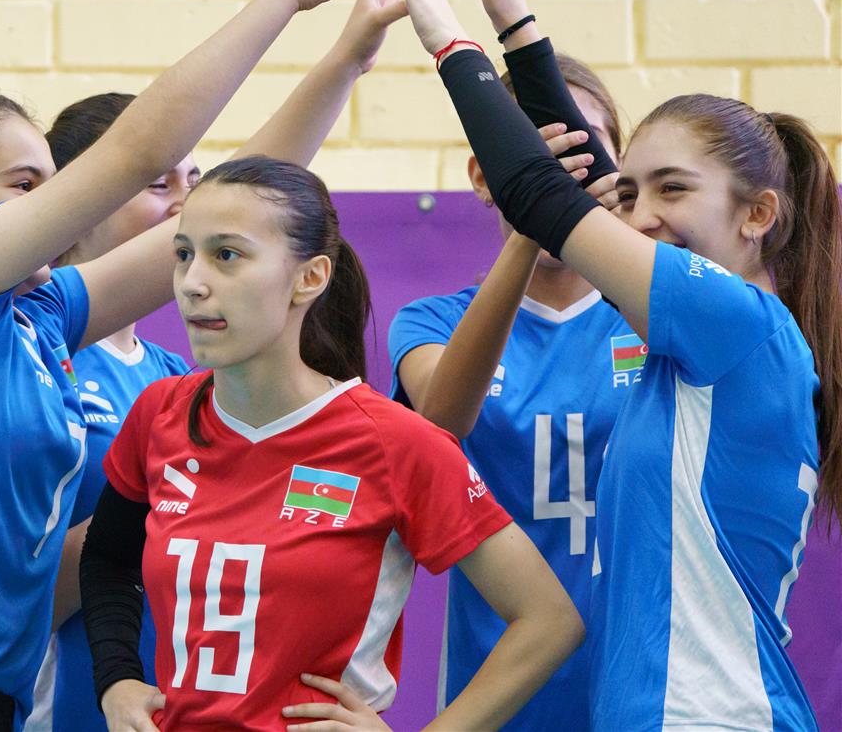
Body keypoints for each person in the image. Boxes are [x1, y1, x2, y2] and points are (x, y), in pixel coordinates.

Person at [0, 0, 407, 731]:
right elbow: (137, 151)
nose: (57, 204)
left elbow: (234, 206)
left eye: (55, 181)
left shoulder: (43, 318)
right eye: (26, 185)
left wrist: (347, 59)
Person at [378, 0, 841, 729]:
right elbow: (583, 196)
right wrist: (517, 22)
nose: (643, 215)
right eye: (633, 193)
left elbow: (547, 194)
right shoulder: (698, 345)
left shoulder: (735, 323)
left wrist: (450, 41)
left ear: (758, 213)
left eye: (674, 189)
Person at [29, 0, 413, 732]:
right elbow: (30, 584)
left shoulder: (178, 381)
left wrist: (346, 59)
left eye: (194, 180)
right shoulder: (34, 348)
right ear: (80, 197)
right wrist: (148, 520)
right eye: (156, 182)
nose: (184, 200)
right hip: (70, 699)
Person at [80, 157, 585, 732]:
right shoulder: (160, 413)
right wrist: (116, 679)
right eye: (183, 254)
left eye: (227, 255)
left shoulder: (395, 441)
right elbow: (108, 558)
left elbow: (548, 621)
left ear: (311, 277)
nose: (193, 282)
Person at [389, 54, 624, 731]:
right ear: (482, 175)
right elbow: (442, 418)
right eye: (525, 150)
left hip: (644, 695)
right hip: (497, 698)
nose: (557, 171)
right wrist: (533, 217)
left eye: (581, 147)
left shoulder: (658, 318)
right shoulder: (432, 323)